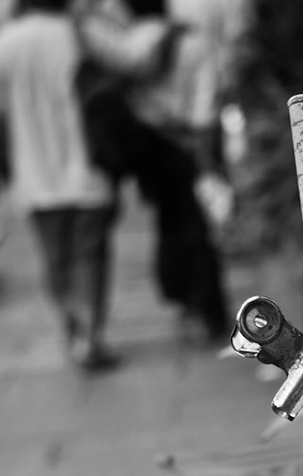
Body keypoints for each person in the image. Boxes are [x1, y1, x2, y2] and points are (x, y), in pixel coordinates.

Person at [0, 0, 121, 369]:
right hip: (89, 171)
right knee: (91, 258)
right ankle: (90, 335)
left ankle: (72, 329)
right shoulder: (78, 34)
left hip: (33, 178)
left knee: (57, 261)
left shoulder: (2, 43)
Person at [82, 0, 229, 342]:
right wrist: (208, 159)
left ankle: (187, 302)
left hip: (153, 149)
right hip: (190, 145)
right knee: (195, 227)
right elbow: (206, 106)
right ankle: (205, 310)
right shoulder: (194, 42)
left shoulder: (130, 43)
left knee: (170, 223)